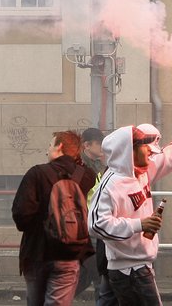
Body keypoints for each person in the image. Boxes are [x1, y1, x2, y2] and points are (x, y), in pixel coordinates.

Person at [89, 114, 172, 306]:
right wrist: (139, 224)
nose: (150, 152)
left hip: (137, 266)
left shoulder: (141, 172)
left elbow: (171, 154)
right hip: (129, 270)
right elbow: (96, 225)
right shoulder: (111, 185)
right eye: (144, 147)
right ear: (130, 152)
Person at [12, 130, 97, 306]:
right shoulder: (86, 176)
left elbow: (21, 215)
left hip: (37, 251)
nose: (47, 150)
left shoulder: (36, 173)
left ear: (59, 147)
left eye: (50, 145)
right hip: (70, 253)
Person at [76, 127, 107, 299]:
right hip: (88, 231)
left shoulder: (97, 166)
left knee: (82, 278)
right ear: (87, 145)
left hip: (94, 228)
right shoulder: (81, 168)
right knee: (100, 280)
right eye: (99, 143)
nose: (103, 147)